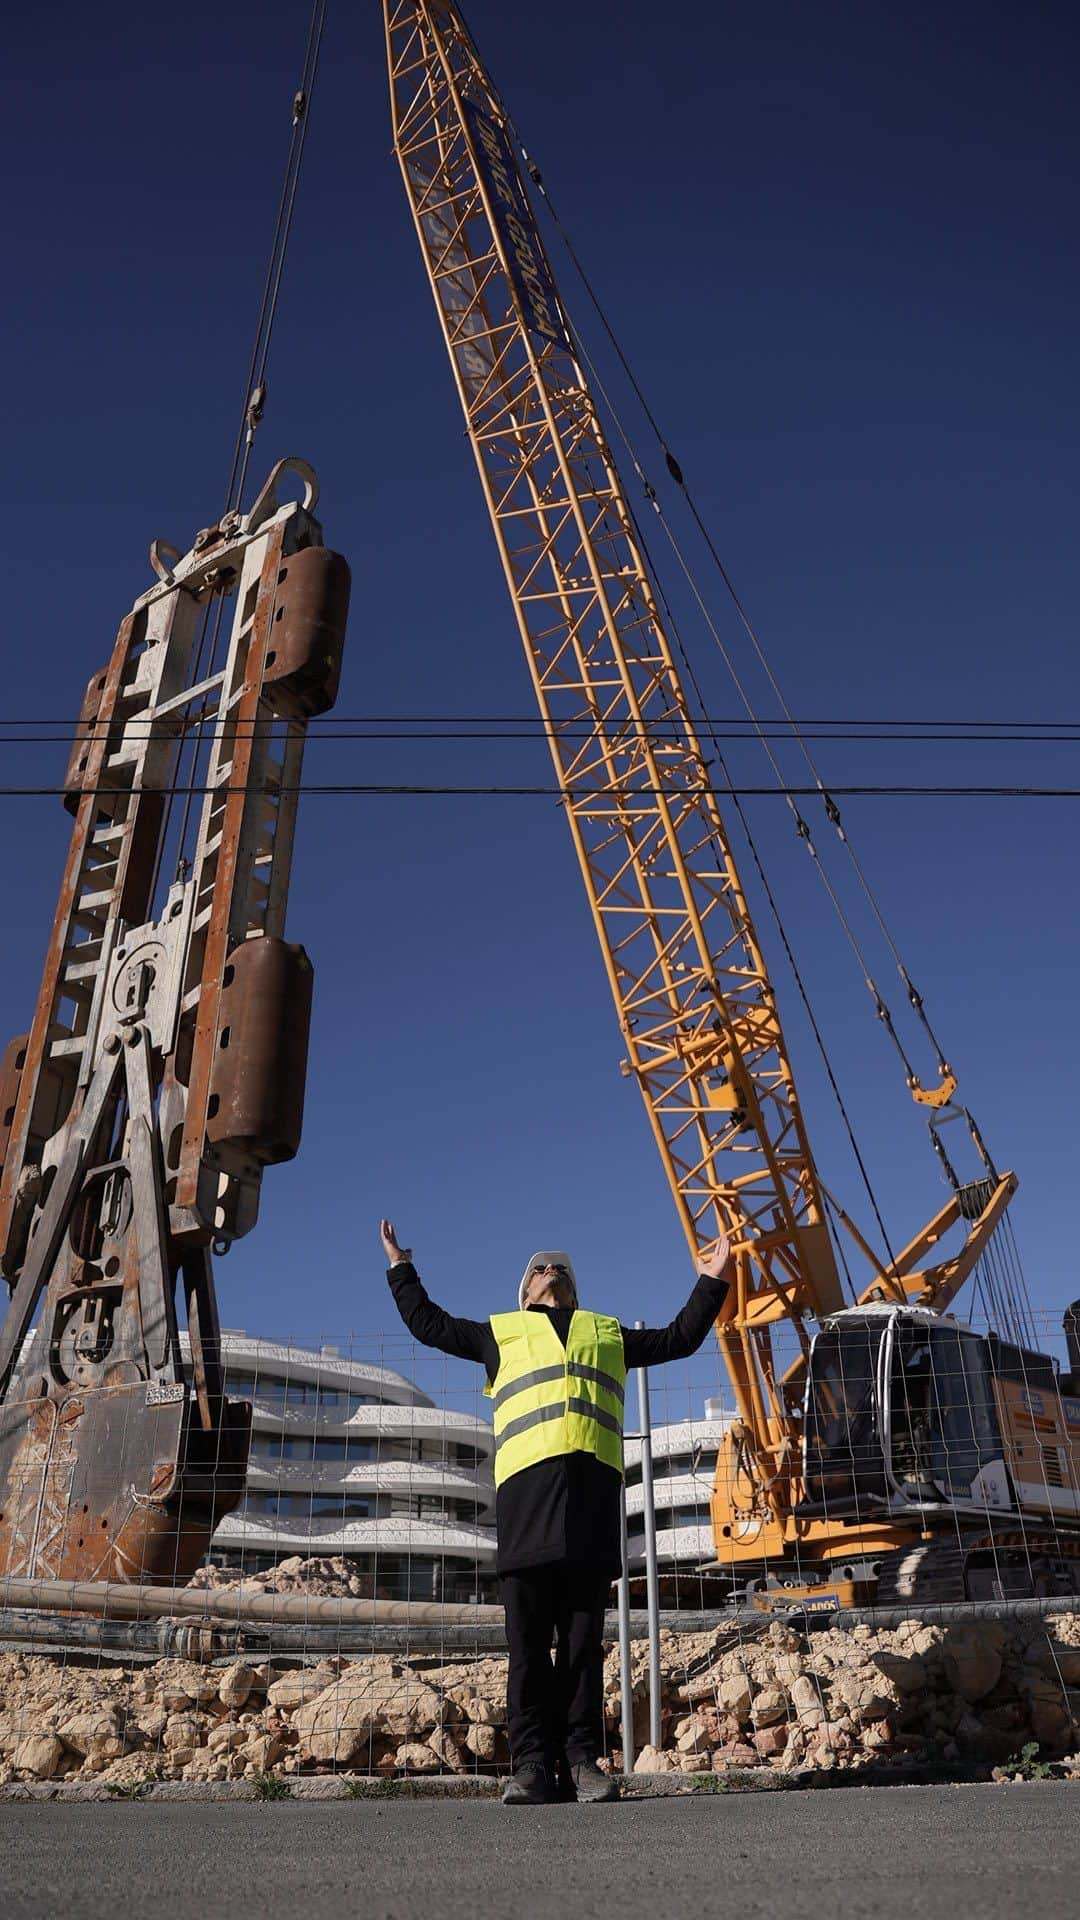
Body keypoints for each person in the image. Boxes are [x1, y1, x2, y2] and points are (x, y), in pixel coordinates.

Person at [379, 1217, 732, 1806]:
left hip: (590, 1510)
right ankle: (532, 1767)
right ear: (523, 1292)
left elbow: (678, 1340)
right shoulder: (503, 1333)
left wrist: (710, 1282)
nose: (552, 1271)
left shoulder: (607, 1333)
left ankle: (583, 1762)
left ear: (574, 1288)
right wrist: (401, 1268)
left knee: (581, 1648)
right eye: (540, 1267)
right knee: (526, 1649)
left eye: (560, 1268)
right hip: (525, 1509)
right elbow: (429, 1325)